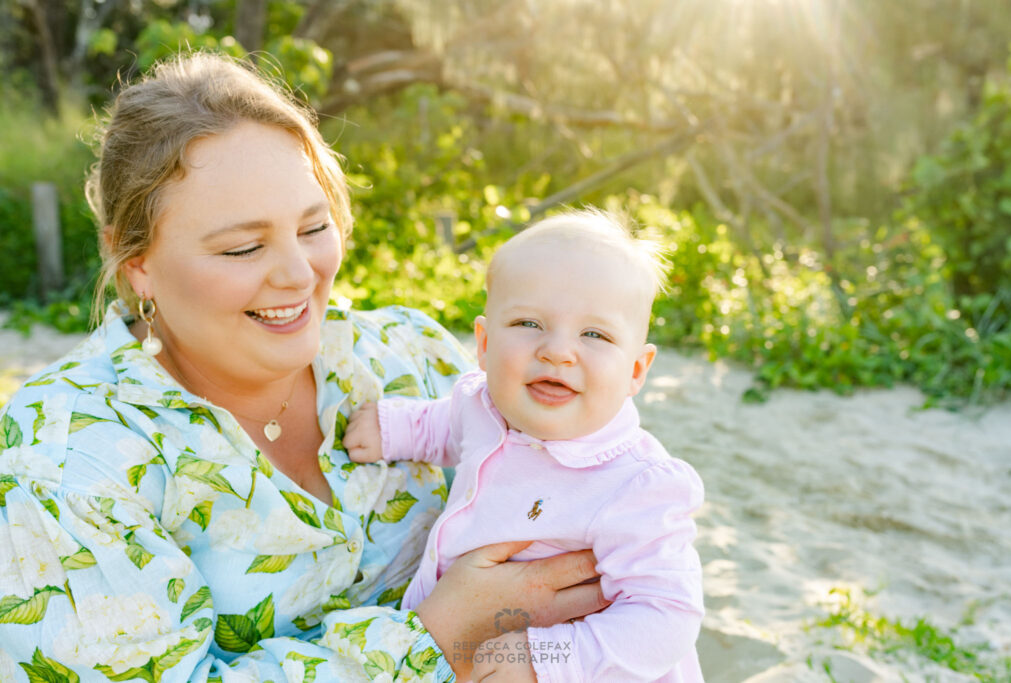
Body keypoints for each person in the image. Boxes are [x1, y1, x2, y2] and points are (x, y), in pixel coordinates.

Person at [0, 53, 608, 682]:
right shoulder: (62, 463)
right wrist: (444, 633)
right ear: (135, 262)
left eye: (313, 227)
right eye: (244, 246)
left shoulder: (413, 355)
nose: (299, 274)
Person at [343, 210, 706, 682]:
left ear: (636, 370)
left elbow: (668, 618)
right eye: (529, 323)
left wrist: (548, 658)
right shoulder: (482, 404)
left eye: (594, 334)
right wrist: (394, 428)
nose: (557, 350)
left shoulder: (635, 484)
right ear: (485, 343)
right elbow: (446, 426)